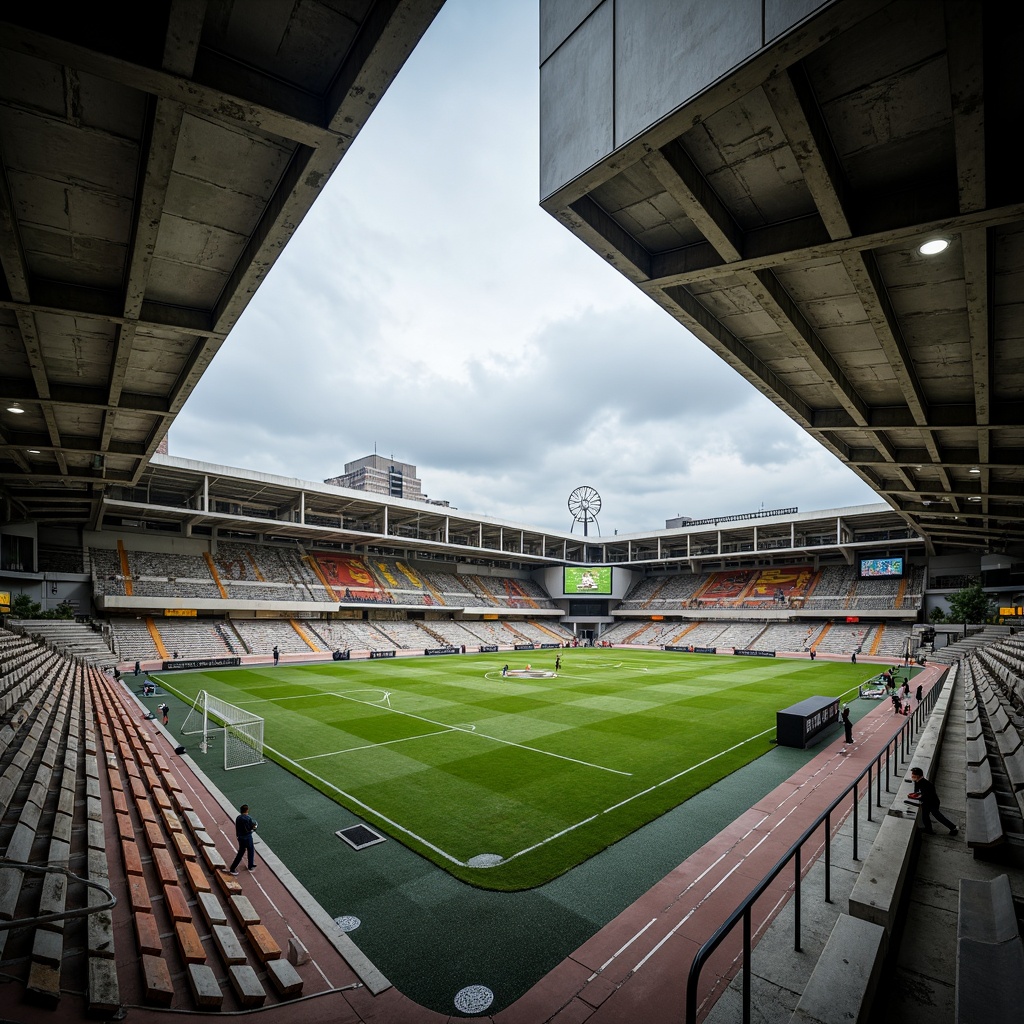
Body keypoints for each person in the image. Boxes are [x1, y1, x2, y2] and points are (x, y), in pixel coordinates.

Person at [909, 767, 958, 836]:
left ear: (917, 776)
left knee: (938, 816)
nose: (911, 776)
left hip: (932, 803)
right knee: (925, 816)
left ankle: (953, 828)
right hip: (927, 802)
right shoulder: (918, 782)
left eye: (913, 774)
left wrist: (917, 797)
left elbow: (925, 796)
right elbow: (917, 792)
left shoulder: (926, 784)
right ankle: (928, 829)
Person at [227, 804, 258, 873]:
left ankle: (233, 867)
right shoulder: (248, 818)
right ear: (247, 810)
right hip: (247, 837)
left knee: (241, 851)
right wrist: (254, 827)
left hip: (240, 837)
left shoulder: (238, 818)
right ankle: (250, 865)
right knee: (250, 850)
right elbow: (251, 827)